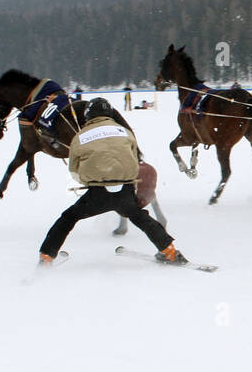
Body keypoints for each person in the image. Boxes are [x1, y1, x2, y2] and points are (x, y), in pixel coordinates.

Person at [37, 97, 187, 268]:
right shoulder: (125, 132)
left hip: (97, 194)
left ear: (88, 116)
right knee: (142, 219)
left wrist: (87, 179)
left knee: (68, 218)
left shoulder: (80, 137)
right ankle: (170, 252)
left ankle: (46, 256)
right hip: (125, 191)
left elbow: (74, 169)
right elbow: (133, 158)